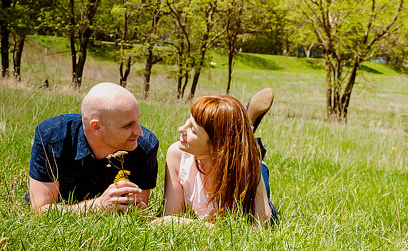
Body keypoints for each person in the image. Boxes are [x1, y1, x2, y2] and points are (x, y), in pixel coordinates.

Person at [150, 89, 277, 228]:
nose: (181, 129)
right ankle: (245, 132)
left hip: (243, 173)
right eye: (188, 121)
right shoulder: (177, 155)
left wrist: (254, 164)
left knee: (259, 169)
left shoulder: (248, 165)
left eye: (193, 129)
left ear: (216, 145)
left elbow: (261, 225)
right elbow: (171, 216)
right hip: (229, 153)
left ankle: (251, 146)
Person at [28, 82, 159, 215]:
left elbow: (136, 213)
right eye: (127, 125)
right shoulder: (53, 138)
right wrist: (98, 205)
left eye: (138, 120)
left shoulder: (144, 146)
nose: (139, 131)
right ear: (96, 127)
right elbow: (40, 210)